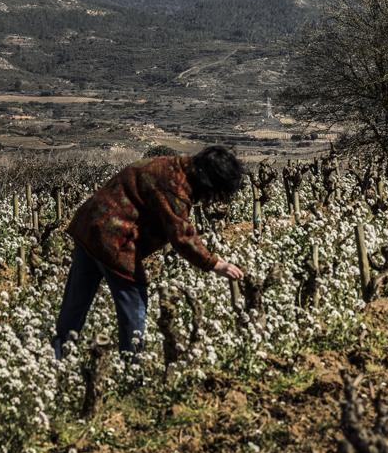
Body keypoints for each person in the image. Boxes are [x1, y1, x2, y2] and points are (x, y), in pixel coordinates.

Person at [53, 145, 246, 358]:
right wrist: (216, 264)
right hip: (114, 238)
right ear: (209, 180)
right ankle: (132, 363)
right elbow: (181, 235)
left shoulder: (172, 165)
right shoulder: (176, 187)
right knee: (134, 299)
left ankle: (59, 354)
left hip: (89, 227)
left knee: (76, 300)